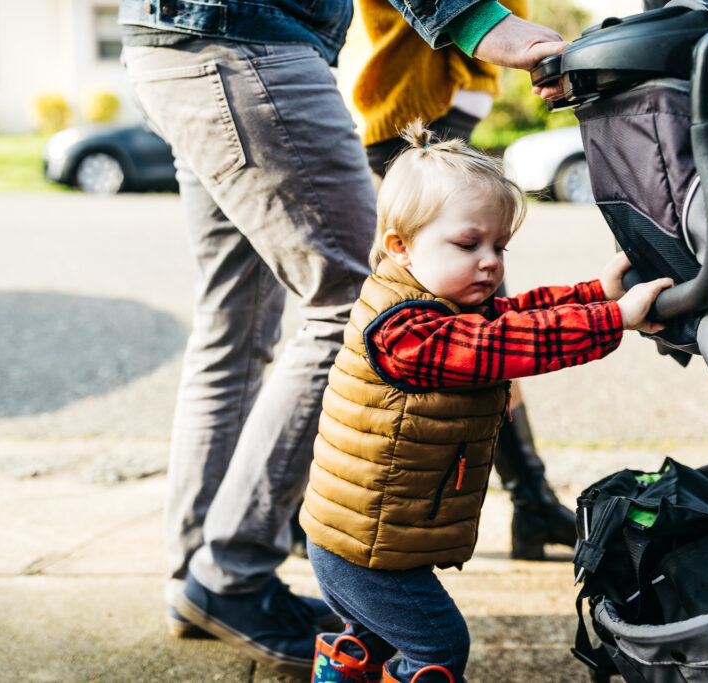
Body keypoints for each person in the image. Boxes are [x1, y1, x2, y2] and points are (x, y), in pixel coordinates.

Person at [117, 0, 569, 677]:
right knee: (359, 307)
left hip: (175, 43)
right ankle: (230, 572)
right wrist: (477, 23)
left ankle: (202, 576)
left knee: (233, 325)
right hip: (246, 41)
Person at [300, 122, 673, 683]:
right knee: (439, 646)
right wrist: (614, 320)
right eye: (468, 244)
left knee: (373, 645)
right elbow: (506, 344)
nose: (490, 261)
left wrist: (598, 294)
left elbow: (515, 313)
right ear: (401, 246)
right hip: (361, 549)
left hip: (363, 537)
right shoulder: (405, 334)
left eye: (499, 246)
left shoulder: (432, 302)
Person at [348, 0, 580, 560]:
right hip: (411, 122)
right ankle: (317, 510)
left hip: (451, 117)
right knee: (404, 335)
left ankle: (531, 502)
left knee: (477, 328)